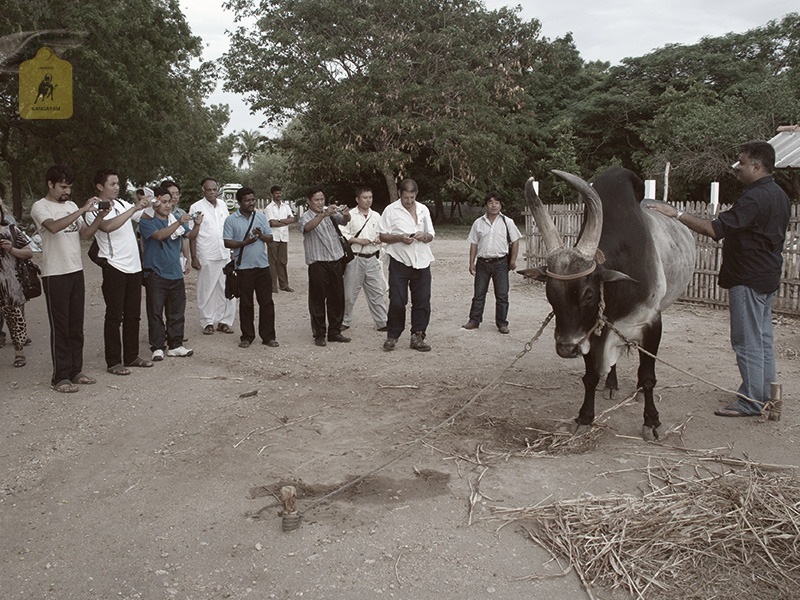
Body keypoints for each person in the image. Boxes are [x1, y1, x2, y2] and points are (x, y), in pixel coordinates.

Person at [648, 141, 790, 417]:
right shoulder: (779, 194)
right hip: (767, 274)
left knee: (746, 340)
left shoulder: (754, 198)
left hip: (748, 276)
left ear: (757, 166)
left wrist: (675, 213)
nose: (737, 167)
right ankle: (769, 394)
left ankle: (751, 401)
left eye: (742, 162)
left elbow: (715, 229)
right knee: (762, 338)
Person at [30, 165, 108, 392]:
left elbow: (84, 234)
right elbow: (53, 228)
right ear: (50, 184)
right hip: (55, 273)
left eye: (69, 187)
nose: (66, 191)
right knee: (61, 326)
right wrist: (82, 210)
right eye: (63, 187)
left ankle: (75, 370)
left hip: (75, 270)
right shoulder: (40, 207)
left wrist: (98, 217)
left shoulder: (71, 206)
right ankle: (60, 377)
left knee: (76, 325)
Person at [83, 169, 154, 375]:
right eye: (112, 184)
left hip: (134, 266)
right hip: (114, 266)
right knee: (114, 316)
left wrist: (153, 204)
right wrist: (133, 210)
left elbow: (146, 217)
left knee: (133, 314)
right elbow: (106, 227)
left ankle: (131, 356)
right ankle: (113, 361)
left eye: (118, 184)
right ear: (100, 186)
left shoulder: (123, 204)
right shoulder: (94, 208)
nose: (116, 187)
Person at [139, 187, 202, 361]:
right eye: (163, 202)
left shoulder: (174, 219)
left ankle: (176, 344)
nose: (168, 205)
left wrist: (196, 225)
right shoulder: (147, 222)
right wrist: (179, 222)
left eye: (170, 201)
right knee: (155, 312)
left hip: (175, 274)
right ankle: (158, 346)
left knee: (176, 312)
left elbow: (190, 236)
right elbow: (159, 236)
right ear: (155, 203)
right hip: (156, 274)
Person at [378, 178, 435, 352]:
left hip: (422, 261)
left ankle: (418, 335)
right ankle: (393, 335)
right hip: (400, 261)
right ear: (400, 194)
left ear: (416, 194)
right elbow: (382, 236)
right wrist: (399, 238)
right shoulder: (390, 210)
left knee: (422, 300)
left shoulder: (423, 209)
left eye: (412, 197)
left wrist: (424, 236)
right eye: (405, 198)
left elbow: (431, 234)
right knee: (397, 299)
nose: (409, 201)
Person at [223, 187, 279, 348]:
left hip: (262, 267)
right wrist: (243, 243)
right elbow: (227, 242)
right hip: (243, 268)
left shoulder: (261, 217)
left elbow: (270, 238)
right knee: (246, 303)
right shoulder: (231, 220)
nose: (251, 203)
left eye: (253, 200)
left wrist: (261, 235)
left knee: (266, 302)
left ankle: (268, 336)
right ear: (239, 202)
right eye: (247, 200)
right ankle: (247, 336)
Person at [298, 185, 351, 346]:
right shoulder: (306, 216)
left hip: (335, 260)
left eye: (322, 199)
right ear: (309, 201)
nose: (320, 203)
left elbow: (345, 221)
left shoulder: (330, 213)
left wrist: (346, 214)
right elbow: (307, 228)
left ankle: (335, 331)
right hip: (317, 262)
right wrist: (322, 215)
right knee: (317, 299)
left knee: (337, 297)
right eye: (316, 200)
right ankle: (319, 333)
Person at [462, 192, 521, 334]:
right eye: (490, 202)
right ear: (486, 205)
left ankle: (502, 323)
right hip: (482, 263)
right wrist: (471, 263)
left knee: (502, 295)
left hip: (501, 263)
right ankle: (474, 320)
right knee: (479, 294)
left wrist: (512, 261)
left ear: (501, 205)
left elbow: (516, 241)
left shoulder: (508, 222)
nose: (494, 205)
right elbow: (474, 244)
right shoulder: (478, 222)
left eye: (497, 202)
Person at [189, 178, 236, 335]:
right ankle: (207, 321)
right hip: (207, 254)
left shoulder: (223, 205)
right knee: (207, 289)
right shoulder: (196, 207)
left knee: (227, 287)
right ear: (203, 191)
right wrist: (194, 256)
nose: (211, 192)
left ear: (218, 190)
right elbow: (192, 235)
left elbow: (228, 229)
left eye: (214, 189)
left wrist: (232, 251)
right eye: (208, 190)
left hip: (224, 253)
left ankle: (224, 321)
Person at [340, 186, 388, 331]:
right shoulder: (350, 215)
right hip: (355, 258)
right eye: (365, 198)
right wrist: (357, 240)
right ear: (357, 199)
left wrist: (381, 240)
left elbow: (383, 234)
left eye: (370, 197)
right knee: (349, 293)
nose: (368, 200)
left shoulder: (376, 216)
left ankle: (382, 322)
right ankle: (344, 320)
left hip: (372, 258)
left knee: (377, 292)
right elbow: (343, 235)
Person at [0, 202, 33, 367]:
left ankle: (19, 352)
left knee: (15, 317)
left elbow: (29, 252)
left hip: (10, 284)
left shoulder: (11, 231)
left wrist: (11, 249)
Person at [264, 185, 295, 293]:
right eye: (276, 193)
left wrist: (278, 221)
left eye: (280, 193)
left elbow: (292, 219)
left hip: (283, 237)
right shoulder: (269, 208)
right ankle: (273, 286)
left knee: (282, 261)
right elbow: (272, 223)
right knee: (272, 262)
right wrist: (284, 221)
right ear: (272, 194)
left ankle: (284, 285)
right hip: (273, 237)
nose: (279, 195)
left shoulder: (286, 207)